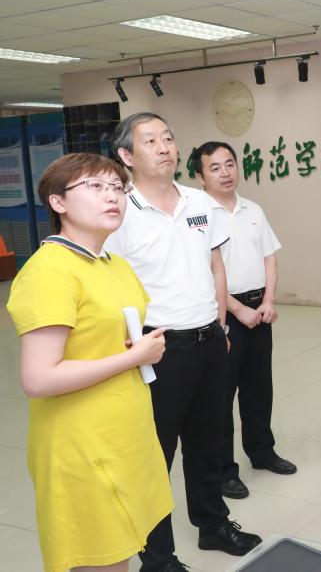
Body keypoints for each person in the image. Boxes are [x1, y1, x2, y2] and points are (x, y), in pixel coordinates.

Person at [105, 113, 261, 571]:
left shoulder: (199, 201)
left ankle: (213, 525)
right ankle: (157, 557)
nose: (164, 147)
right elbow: (111, 286)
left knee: (208, 443)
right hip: (158, 348)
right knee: (155, 456)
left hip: (209, 340)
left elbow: (216, 265)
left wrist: (221, 325)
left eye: (168, 137)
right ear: (126, 155)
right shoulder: (120, 211)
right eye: (150, 140)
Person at [7, 153, 172, 572]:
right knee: (101, 558)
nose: (111, 196)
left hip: (122, 431)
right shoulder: (50, 271)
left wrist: (130, 348)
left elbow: (102, 335)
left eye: (117, 187)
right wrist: (132, 356)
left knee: (123, 548)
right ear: (58, 202)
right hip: (81, 441)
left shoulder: (113, 263)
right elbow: (39, 378)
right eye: (95, 187)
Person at [190, 142, 296, 502]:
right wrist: (238, 311)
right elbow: (206, 271)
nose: (226, 173)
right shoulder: (198, 216)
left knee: (259, 388)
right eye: (215, 167)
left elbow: (270, 259)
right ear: (200, 177)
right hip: (224, 314)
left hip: (260, 310)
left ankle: (262, 452)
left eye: (230, 164)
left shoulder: (254, 209)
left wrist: (268, 301)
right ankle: (224, 470)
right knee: (221, 396)